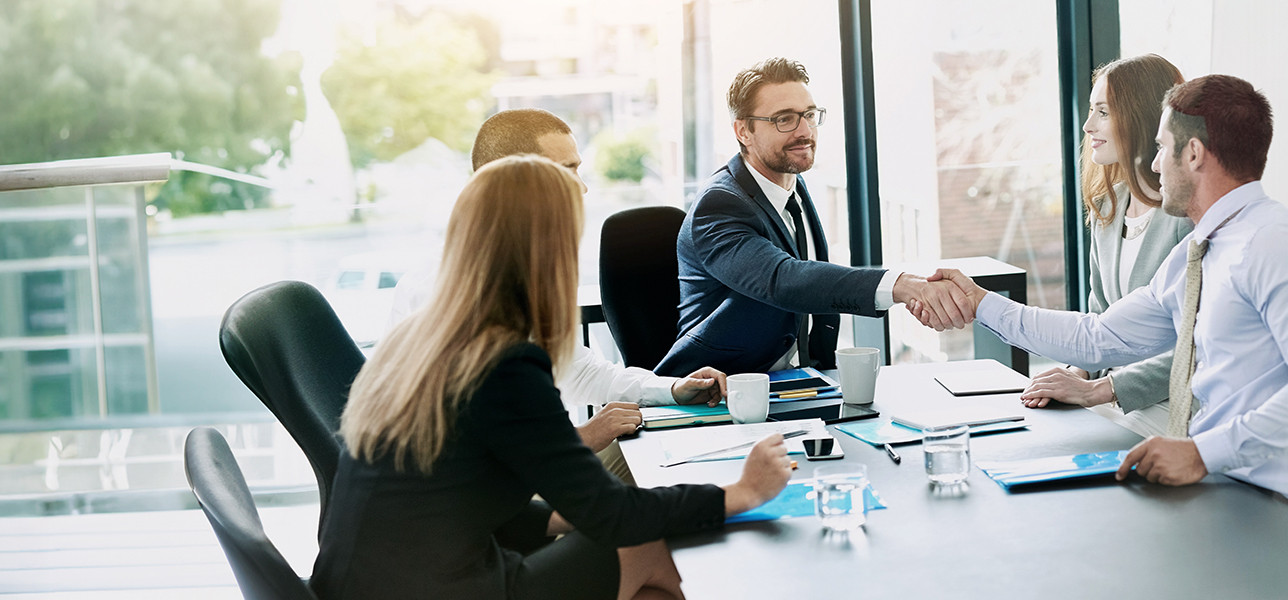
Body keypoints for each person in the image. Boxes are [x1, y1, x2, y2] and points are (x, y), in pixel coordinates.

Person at [312, 155, 793, 600]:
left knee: (633, 561)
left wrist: (563, 518)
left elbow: (459, 494)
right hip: (441, 588)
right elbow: (615, 517)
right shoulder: (501, 363)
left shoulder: (423, 337)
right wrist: (743, 491)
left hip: (365, 583)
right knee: (646, 545)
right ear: (548, 251)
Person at [923, 75, 1288, 507]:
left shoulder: (1278, 243)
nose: (1154, 164)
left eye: (1161, 147)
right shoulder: (1198, 252)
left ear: (1193, 153)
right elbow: (1097, 337)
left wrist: (1201, 453)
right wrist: (982, 304)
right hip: (1220, 485)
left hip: (1280, 506)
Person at [388, 108, 727, 480]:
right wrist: (584, 436)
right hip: (488, 504)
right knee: (664, 475)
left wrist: (674, 389)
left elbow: (579, 370)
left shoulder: (519, 269)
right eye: (566, 170)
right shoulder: (446, 292)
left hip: (530, 474)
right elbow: (469, 455)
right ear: (512, 181)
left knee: (682, 451)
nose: (582, 187)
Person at [654, 57, 974, 377]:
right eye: (784, 119)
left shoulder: (793, 181)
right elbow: (783, 280)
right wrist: (902, 286)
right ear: (743, 131)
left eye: (808, 114)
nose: (805, 131)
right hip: (720, 392)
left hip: (802, 383)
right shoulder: (720, 204)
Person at [1020, 54, 1192, 439]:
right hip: (1112, 400)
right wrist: (1077, 372)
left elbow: (1196, 347)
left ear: (1142, 117)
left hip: (1172, 406)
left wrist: (1098, 390)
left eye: (1103, 112)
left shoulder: (1188, 218)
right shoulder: (1107, 209)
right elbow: (1101, 320)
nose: (1087, 125)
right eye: (1091, 111)